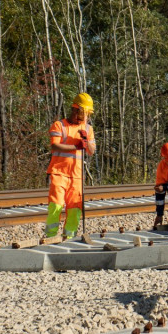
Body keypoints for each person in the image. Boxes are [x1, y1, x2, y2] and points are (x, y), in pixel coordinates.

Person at [46, 93, 96, 239]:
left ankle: (69, 237)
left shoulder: (88, 129)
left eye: (87, 114)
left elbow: (91, 151)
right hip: (59, 173)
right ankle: (50, 236)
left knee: (75, 208)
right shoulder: (59, 125)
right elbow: (55, 146)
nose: (85, 117)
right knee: (56, 205)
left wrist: (86, 141)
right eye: (83, 113)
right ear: (75, 109)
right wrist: (76, 145)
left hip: (77, 176)